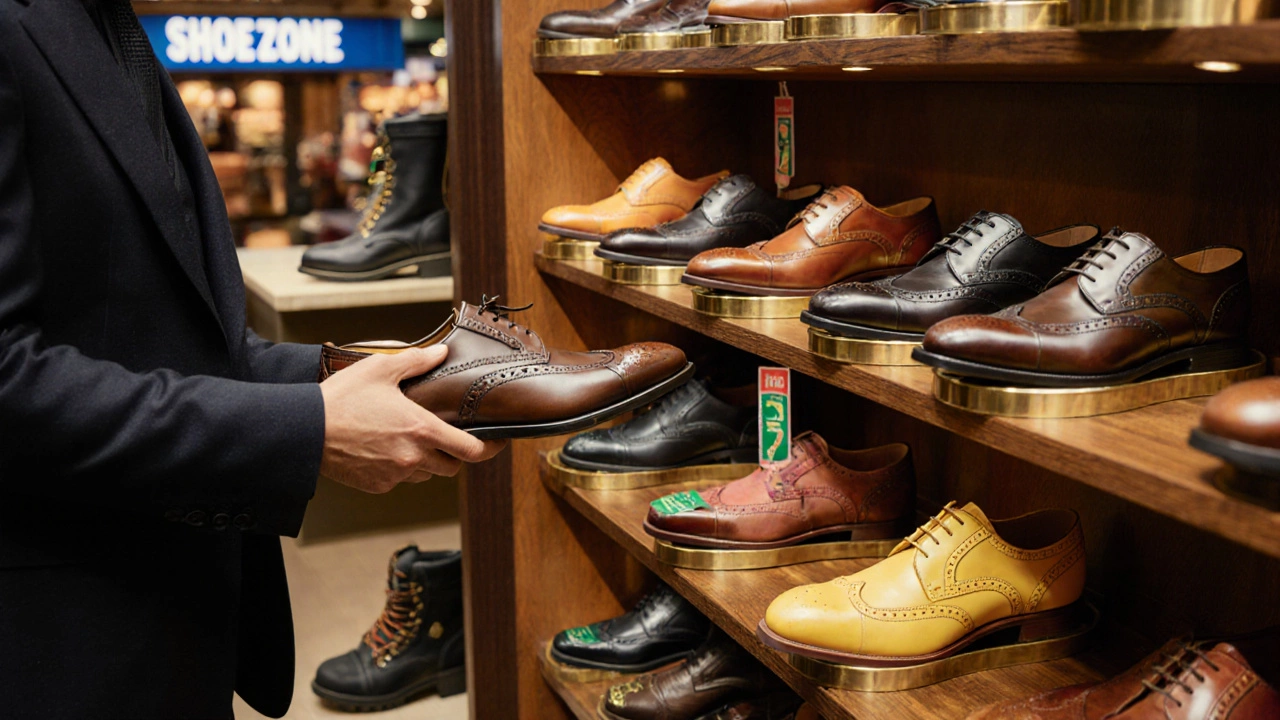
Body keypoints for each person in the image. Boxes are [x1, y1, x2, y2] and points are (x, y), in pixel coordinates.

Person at [0, 1, 505, 718]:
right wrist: (306, 428)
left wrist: (329, 372)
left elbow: (145, 325)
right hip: (60, 630)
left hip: (170, 606)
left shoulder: (100, 21)